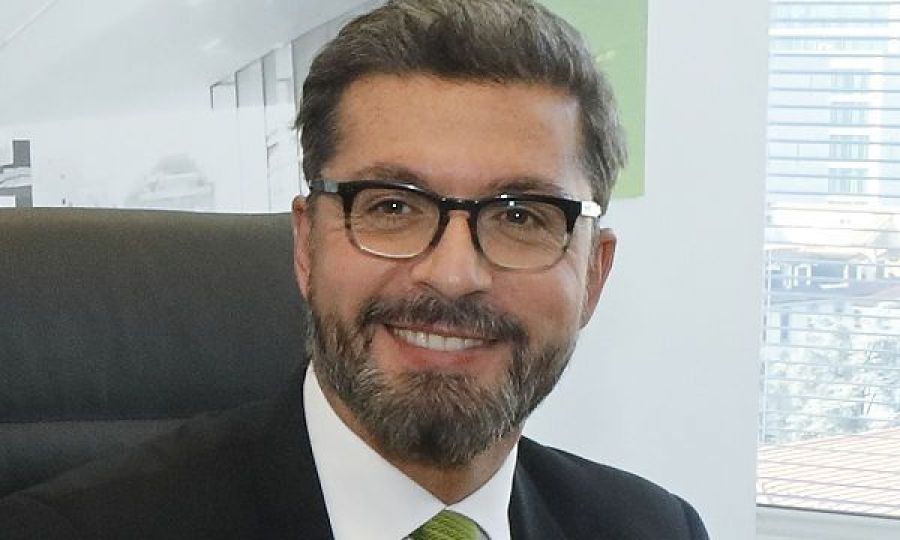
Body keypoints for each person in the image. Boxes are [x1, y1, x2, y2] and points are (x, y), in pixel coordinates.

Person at [0, 1, 709, 538]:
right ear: (307, 245)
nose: (453, 274)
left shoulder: (653, 529)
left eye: (520, 216)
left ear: (594, 274)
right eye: (393, 207)